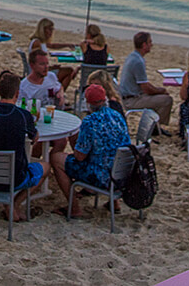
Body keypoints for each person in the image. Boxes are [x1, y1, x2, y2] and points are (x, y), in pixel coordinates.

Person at [49, 84, 130, 218]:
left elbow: (80, 157)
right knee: (111, 154)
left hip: (102, 177)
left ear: (88, 103)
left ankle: (74, 208)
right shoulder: (117, 116)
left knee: (56, 158)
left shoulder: (89, 121)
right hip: (122, 173)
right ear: (105, 100)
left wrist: (75, 146)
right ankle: (114, 203)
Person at [0, 72, 45, 221]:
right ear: (17, 93)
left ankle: (10, 207)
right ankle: (14, 204)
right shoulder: (23, 116)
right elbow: (33, 138)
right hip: (15, 178)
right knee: (45, 166)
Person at [118, 31, 173, 129]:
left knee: (160, 95)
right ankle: (156, 127)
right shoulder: (138, 61)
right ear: (144, 45)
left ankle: (155, 125)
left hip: (131, 94)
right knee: (167, 100)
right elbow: (146, 88)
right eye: (150, 42)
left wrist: (158, 90)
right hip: (132, 100)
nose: (152, 45)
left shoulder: (133, 56)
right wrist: (161, 90)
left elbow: (144, 84)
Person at [28, 18, 78, 94]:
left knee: (67, 72)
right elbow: (37, 64)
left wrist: (67, 45)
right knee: (69, 71)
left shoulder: (40, 41)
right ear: (43, 30)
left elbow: (53, 45)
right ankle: (58, 95)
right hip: (40, 73)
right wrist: (51, 68)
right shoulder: (37, 43)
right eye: (49, 29)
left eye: (52, 29)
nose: (51, 32)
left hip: (42, 70)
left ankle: (56, 93)